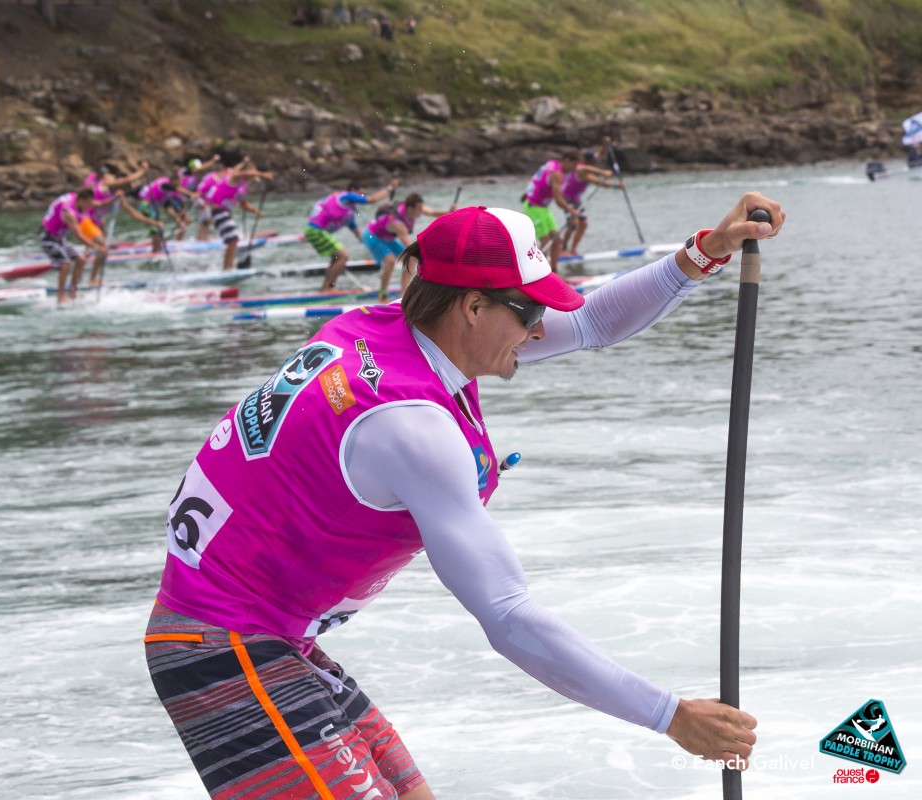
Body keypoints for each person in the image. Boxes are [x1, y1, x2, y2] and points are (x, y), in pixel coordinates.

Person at [145, 192, 785, 799]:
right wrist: (671, 716)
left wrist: (706, 251)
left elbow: (590, 321)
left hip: (275, 636)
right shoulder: (410, 425)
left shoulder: (387, 332)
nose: (539, 331)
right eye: (530, 312)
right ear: (473, 307)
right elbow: (506, 617)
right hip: (224, 642)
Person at [307, 178, 397, 291]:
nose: (361, 197)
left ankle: (325, 288)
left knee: (337, 257)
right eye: (360, 194)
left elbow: (357, 233)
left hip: (316, 231)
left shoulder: (348, 212)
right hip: (315, 230)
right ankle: (328, 288)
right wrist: (390, 188)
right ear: (354, 190)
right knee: (343, 256)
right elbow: (372, 199)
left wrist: (375, 246)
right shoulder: (347, 196)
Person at [364, 192, 449, 300]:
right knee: (390, 261)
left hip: (386, 237)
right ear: (411, 208)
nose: (422, 210)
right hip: (372, 236)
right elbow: (410, 247)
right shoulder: (397, 224)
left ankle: (403, 294)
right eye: (419, 208)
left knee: (411, 259)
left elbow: (432, 212)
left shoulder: (413, 207)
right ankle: (382, 295)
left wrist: (450, 211)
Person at [198, 159, 274, 271]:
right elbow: (240, 173)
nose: (254, 174)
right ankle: (227, 268)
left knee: (233, 240)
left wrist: (255, 211)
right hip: (218, 212)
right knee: (233, 240)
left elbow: (243, 204)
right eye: (253, 171)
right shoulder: (234, 178)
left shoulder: (243, 186)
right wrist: (262, 174)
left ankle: (228, 267)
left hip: (225, 213)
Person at [82, 162, 148, 286]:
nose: (113, 178)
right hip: (86, 220)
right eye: (110, 176)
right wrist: (142, 170)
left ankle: (88, 257)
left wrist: (151, 222)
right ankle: (92, 278)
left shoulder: (106, 188)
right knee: (103, 247)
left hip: (94, 220)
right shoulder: (104, 183)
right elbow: (127, 179)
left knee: (102, 239)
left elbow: (131, 212)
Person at [39, 187, 109, 304]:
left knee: (80, 260)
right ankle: (60, 296)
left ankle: (72, 291)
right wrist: (98, 248)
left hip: (60, 239)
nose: (90, 206)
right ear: (82, 200)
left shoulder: (75, 197)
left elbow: (99, 204)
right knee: (65, 264)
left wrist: (115, 199)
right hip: (48, 238)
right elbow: (79, 236)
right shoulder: (69, 213)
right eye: (89, 203)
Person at [560, 148, 626, 257]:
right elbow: (587, 170)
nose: (594, 162)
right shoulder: (579, 168)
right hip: (566, 199)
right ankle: (563, 249)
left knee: (584, 224)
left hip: (576, 200)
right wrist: (603, 172)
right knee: (574, 223)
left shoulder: (586, 169)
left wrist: (617, 186)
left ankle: (573, 250)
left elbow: (599, 182)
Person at [520, 150, 581, 267]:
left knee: (556, 240)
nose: (573, 169)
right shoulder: (557, 174)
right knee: (546, 242)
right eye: (573, 165)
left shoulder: (552, 163)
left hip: (543, 208)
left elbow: (537, 181)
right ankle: (538, 273)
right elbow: (558, 200)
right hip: (534, 206)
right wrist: (572, 212)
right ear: (567, 160)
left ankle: (554, 272)